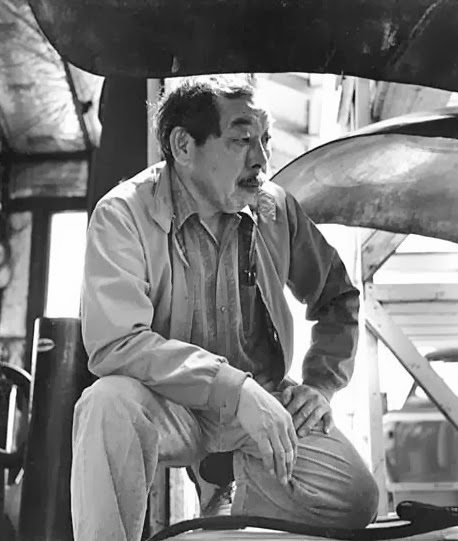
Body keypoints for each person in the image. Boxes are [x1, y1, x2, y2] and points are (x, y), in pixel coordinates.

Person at [72, 75, 379, 541]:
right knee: (105, 404)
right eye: (241, 140)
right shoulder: (122, 215)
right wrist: (232, 388)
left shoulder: (275, 209)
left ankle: (226, 486)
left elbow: (337, 297)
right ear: (183, 146)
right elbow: (117, 343)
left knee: (355, 498)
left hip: (260, 402)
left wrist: (320, 385)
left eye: (264, 140)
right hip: (169, 404)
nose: (261, 159)